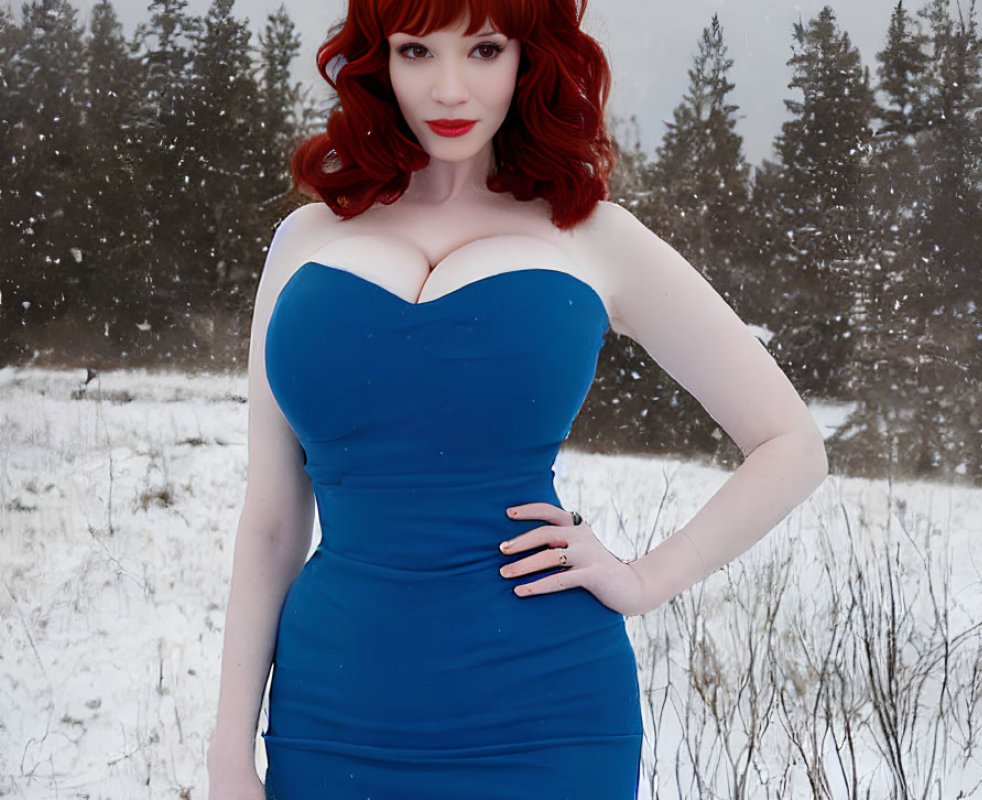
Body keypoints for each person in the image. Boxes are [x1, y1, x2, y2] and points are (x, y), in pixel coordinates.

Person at [206, 0, 828, 797]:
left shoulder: (592, 236)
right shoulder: (305, 239)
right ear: (379, 60)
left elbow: (790, 444)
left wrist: (646, 579)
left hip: (548, 712)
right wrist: (229, 751)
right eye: (417, 52)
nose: (451, 90)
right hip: (333, 705)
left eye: (485, 50)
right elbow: (270, 525)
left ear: (528, 57)